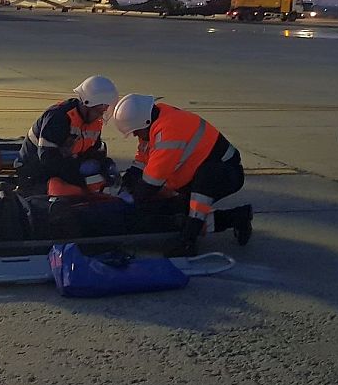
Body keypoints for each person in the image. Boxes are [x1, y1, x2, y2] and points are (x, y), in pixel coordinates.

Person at [111, 93, 252, 256]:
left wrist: (131, 202)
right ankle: (238, 217)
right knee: (176, 215)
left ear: (145, 122)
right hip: (199, 176)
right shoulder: (153, 124)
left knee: (195, 212)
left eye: (135, 131)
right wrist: (128, 182)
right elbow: (142, 161)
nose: (135, 135)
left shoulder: (168, 131)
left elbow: (152, 183)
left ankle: (188, 242)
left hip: (224, 174)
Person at [16, 75, 119, 196]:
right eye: (99, 110)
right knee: (64, 191)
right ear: (87, 104)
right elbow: (48, 159)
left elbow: (93, 151)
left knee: (101, 182)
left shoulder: (93, 121)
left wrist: (105, 165)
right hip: (36, 173)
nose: (101, 115)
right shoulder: (58, 118)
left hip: (65, 167)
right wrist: (80, 178)